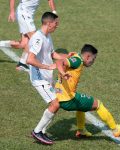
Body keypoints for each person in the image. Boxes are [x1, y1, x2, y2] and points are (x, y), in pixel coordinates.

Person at [33, 44, 120, 145]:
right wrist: (63, 72)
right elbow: (60, 62)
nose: (93, 62)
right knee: (98, 104)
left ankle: (81, 131)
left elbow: (66, 61)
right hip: (68, 98)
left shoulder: (77, 58)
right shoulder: (77, 61)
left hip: (61, 95)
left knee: (81, 106)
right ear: (87, 57)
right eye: (93, 59)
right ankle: (115, 129)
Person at [27, 12, 90, 145]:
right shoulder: (38, 38)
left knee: (56, 103)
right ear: (49, 23)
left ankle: (42, 132)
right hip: (39, 78)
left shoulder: (47, 36)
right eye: (56, 24)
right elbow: (30, 59)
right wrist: (47, 66)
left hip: (46, 77)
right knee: (56, 103)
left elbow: (52, 54)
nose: (57, 26)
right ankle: (37, 131)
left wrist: (67, 56)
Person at [0, 0, 57, 71]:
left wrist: (54, 12)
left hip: (28, 15)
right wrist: (12, 11)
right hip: (24, 14)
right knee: (35, 38)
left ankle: (21, 64)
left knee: (23, 44)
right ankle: (23, 63)